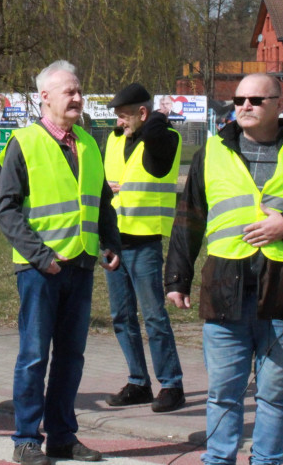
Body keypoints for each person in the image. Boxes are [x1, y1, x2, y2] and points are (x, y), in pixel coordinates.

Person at [164, 73, 283, 465]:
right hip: (224, 292)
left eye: (255, 100)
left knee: (275, 394)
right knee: (223, 393)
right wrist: (177, 278)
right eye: (238, 99)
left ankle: (268, 461)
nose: (244, 106)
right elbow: (189, 218)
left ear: (279, 105)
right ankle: (218, 460)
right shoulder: (211, 152)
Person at [0, 60, 122, 465]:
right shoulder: (24, 142)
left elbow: (101, 200)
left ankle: (63, 437)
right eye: (69, 91)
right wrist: (40, 256)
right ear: (44, 97)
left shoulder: (87, 141)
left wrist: (111, 240)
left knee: (71, 356)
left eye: (79, 90)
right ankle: (26, 440)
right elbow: (7, 210)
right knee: (34, 355)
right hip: (39, 269)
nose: (78, 98)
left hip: (81, 264)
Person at [102, 83, 185, 413]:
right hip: (114, 241)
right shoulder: (114, 139)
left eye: (126, 115)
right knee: (121, 317)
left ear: (143, 113)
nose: (120, 123)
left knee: (153, 317)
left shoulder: (164, 139)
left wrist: (158, 117)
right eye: (117, 117)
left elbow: (155, 137)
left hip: (145, 241)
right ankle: (138, 381)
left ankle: (171, 384)